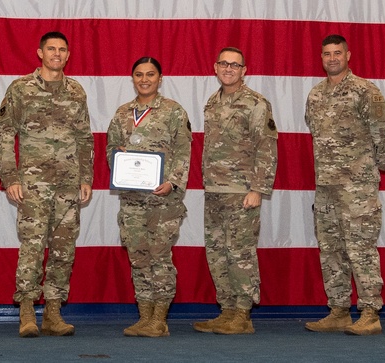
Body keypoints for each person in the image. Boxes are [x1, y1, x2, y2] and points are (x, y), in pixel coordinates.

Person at [0, 31, 95, 337]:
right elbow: (5, 134)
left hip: (67, 184)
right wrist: (9, 177)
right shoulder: (20, 89)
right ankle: (27, 310)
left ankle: (53, 311)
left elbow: (84, 137)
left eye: (62, 49)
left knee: (64, 250)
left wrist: (86, 177)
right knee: (33, 246)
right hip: (32, 184)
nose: (56, 54)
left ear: (68, 54)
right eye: (51, 49)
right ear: (39, 53)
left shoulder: (76, 91)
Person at [303, 34, 385, 336]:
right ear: (321, 58)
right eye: (326, 54)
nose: (332, 58)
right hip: (326, 187)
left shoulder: (365, 90)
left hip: (357, 187)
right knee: (331, 249)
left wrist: (378, 166)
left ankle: (370, 312)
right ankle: (339, 310)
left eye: (337, 53)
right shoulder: (316, 95)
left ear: (348, 55)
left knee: (360, 249)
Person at [194, 47, 278, 335]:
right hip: (215, 190)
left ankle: (243, 314)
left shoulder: (255, 103)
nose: (228, 69)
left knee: (239, 252)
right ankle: (227, 309)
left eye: (235, 65)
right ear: (215, 67)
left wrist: (258, 188)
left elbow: (266, 148)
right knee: (217, 252)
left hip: (242, 191)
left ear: (244, 71)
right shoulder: (212, 102)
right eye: (224, 64)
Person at [106, 57, 192, 337]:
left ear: (160, 78)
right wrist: (117, 156)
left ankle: (160, 319)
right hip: (132, 202)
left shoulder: (173, 111)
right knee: (138, 258)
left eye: (150, 74)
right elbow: (110, 150)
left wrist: (173, 182)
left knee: (160, 258)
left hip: (163, 201)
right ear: (132, 78)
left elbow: (183, 152)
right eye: (139, 74)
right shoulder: (122, 113)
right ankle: (144, 317)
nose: (145, 79)